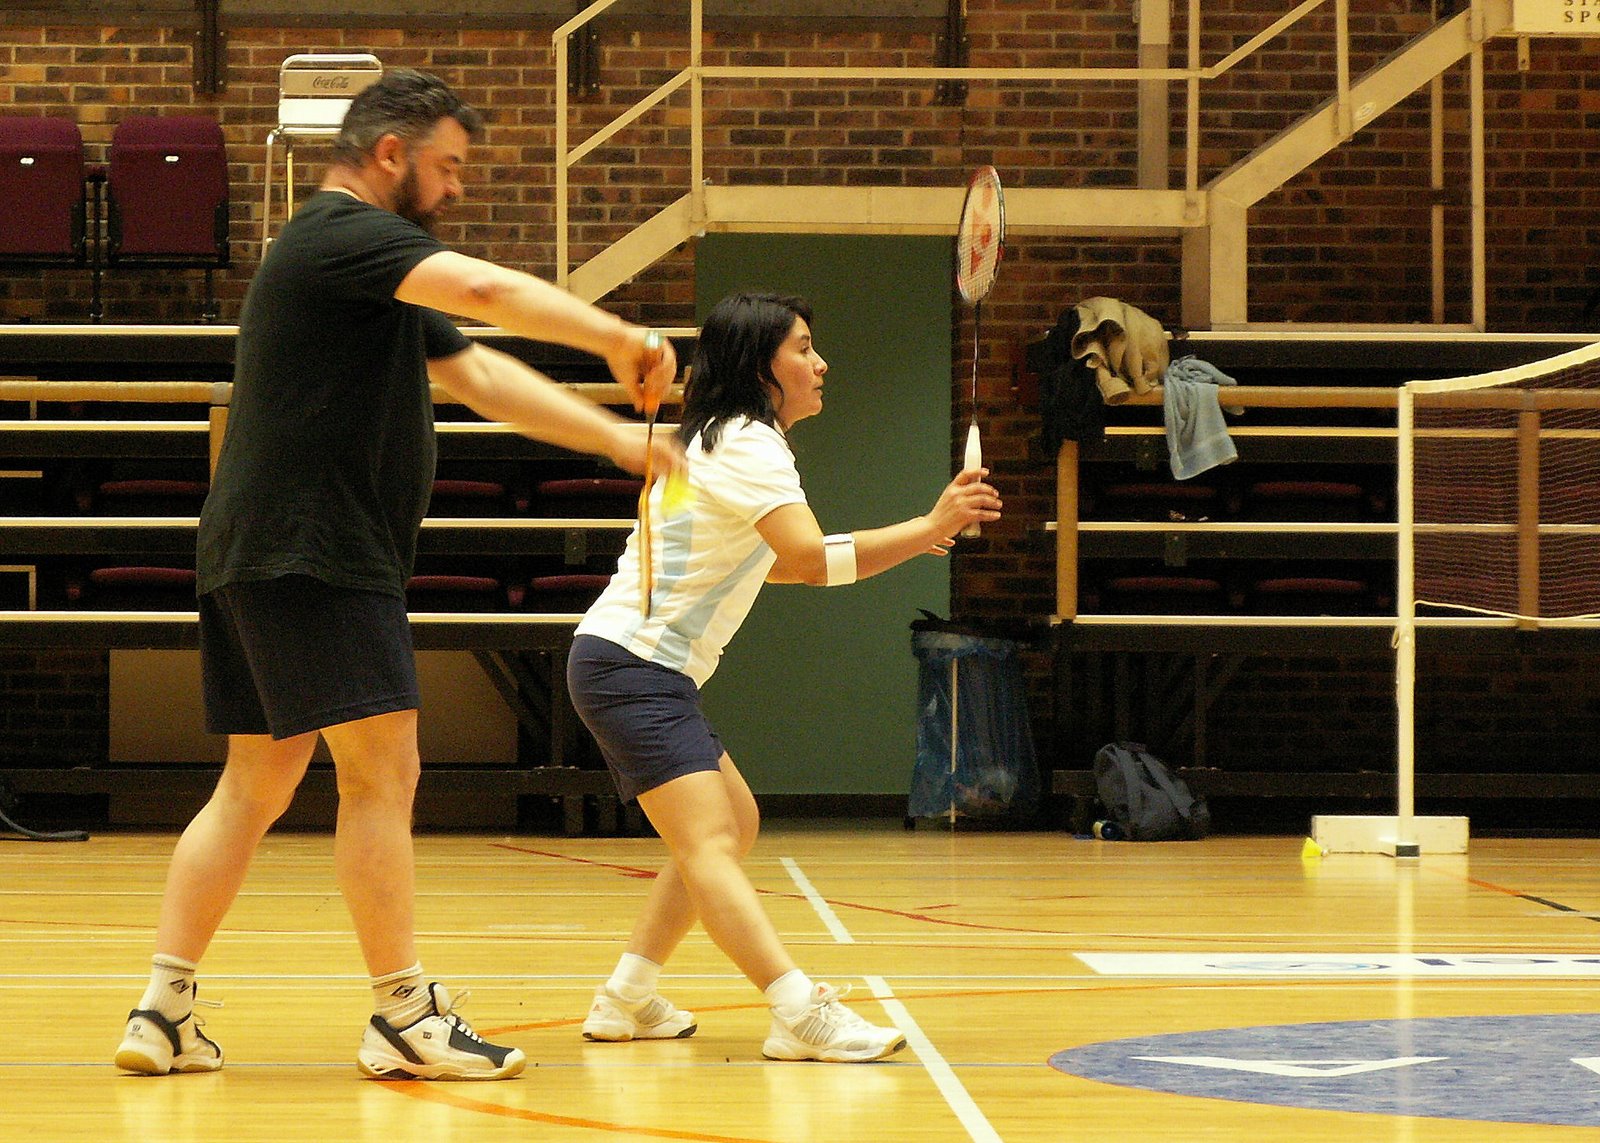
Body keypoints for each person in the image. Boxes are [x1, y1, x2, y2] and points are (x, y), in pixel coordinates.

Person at [114, 68, 680, 1082]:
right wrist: (619, 335)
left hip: (258, 549)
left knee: (255, 781)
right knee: (384, 773)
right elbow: (488, 292)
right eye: (448, 166)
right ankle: (404, 1016)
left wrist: (612, 440)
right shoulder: (343, 233)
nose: (456, 188)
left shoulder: (358, 270)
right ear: (390, 154)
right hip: (318, 549)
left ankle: (163, 1009)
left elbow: (479, 373)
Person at [567, 291, 1002, 1062]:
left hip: (630, 664)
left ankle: (626, 994)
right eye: (803, 347)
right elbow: (806, 558)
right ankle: (799, 1011)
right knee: (711, 839)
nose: (820, 362)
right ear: (759, 365)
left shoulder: (716, 439)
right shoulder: (750, 445)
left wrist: (918, 536)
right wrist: (930, 526)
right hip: (635, 665)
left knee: (732, 823)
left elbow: (774, 566)